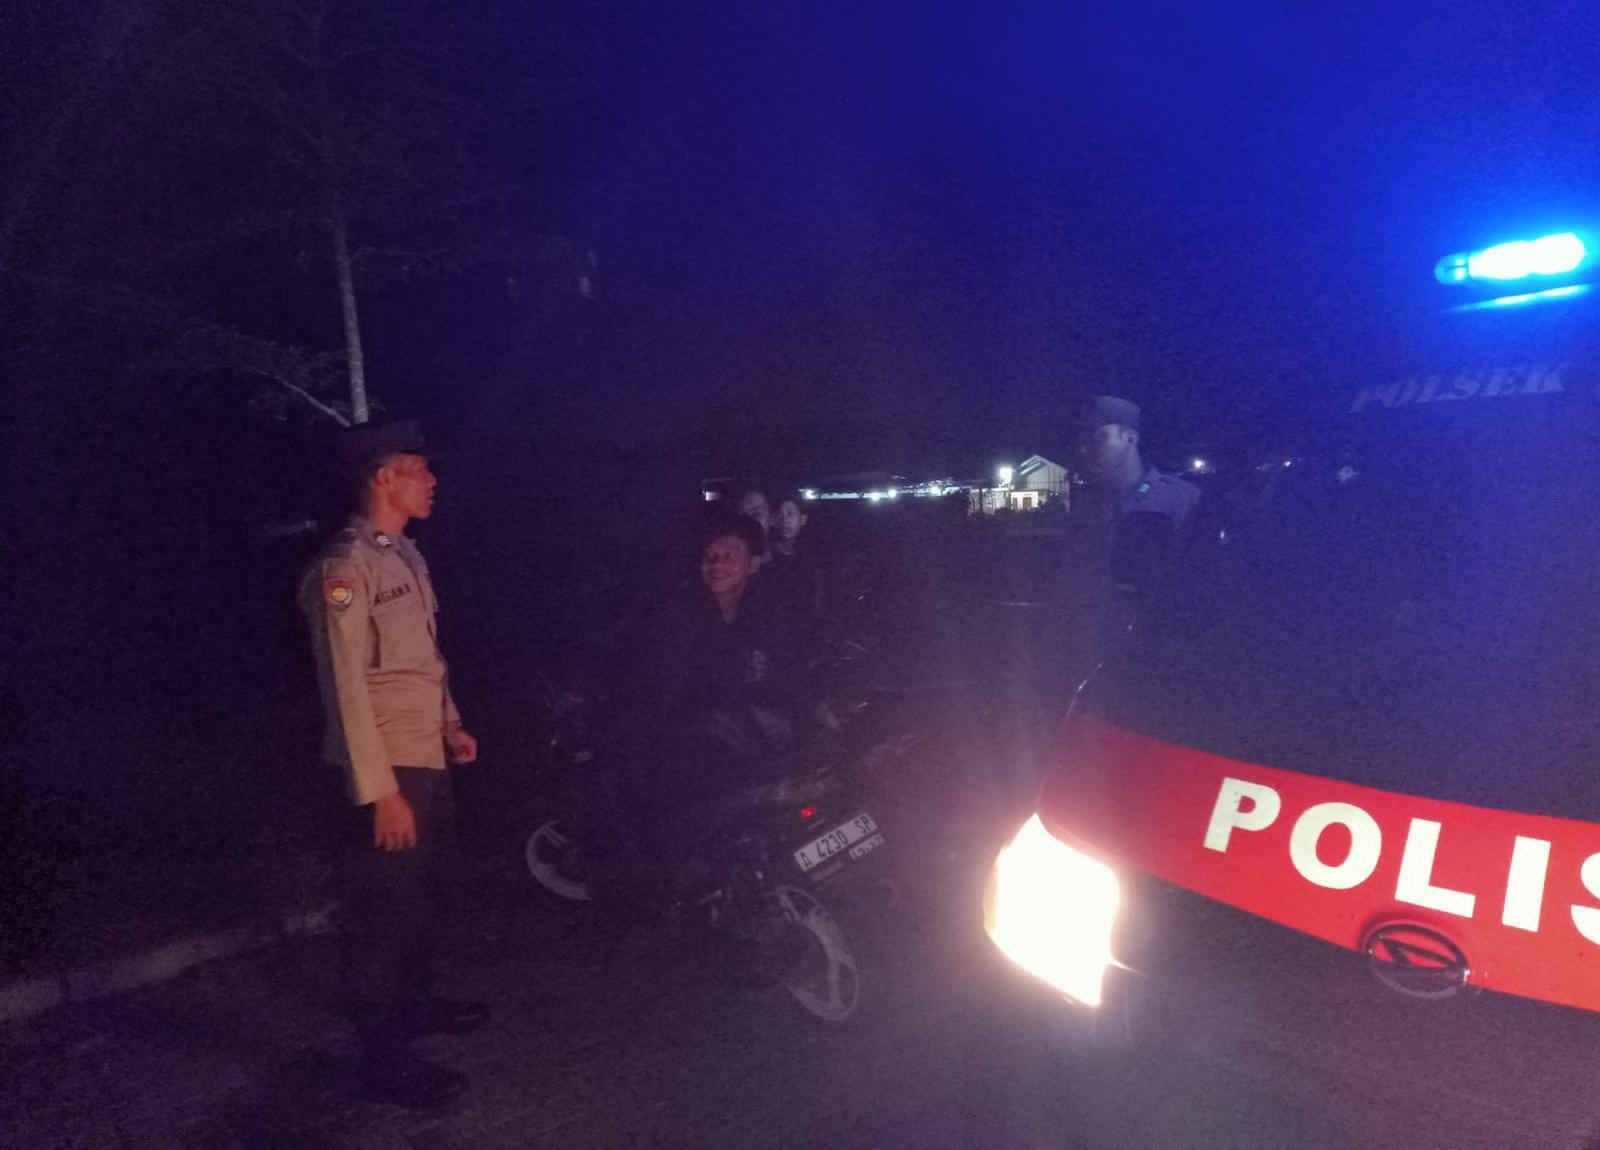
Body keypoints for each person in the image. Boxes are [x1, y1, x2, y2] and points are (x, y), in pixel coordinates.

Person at [297, 419, 486, 1109]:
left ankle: (416, 1006)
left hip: (423, 756)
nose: (432, 481)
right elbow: (345, 686)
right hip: (386, 770)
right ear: (384, 477)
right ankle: (382, 1061)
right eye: (419, 469)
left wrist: (450, 723)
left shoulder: (404, 556)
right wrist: (379, 792)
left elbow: (422, 660)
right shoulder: (344, 569)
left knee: (423, 899)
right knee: (381, 917)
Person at [763, 493, 825, 623]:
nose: (785, 520)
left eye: (790, 514)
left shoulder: (811, 557)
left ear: (802, 519)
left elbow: (817, 597)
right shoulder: (766, 555)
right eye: (779, 515)